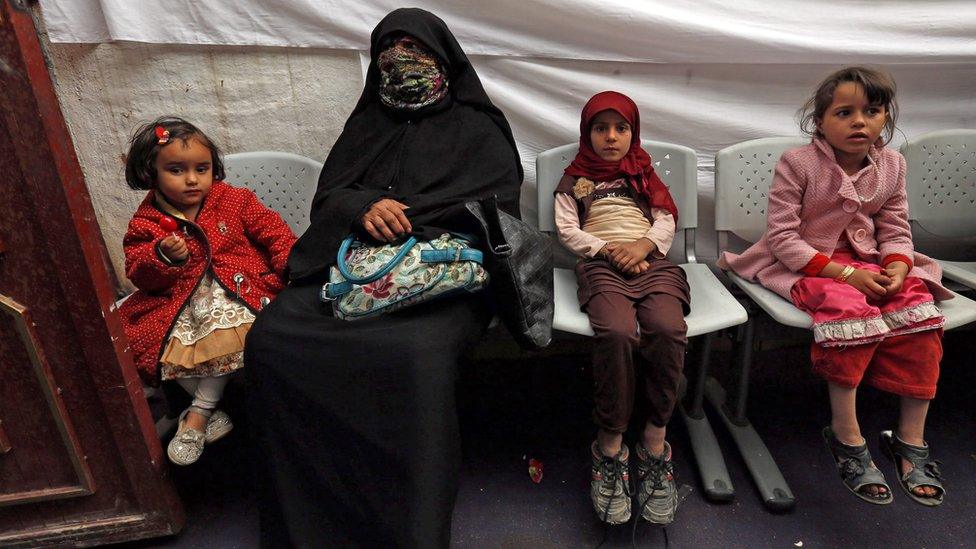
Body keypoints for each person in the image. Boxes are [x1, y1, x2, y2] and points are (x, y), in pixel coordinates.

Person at [244, 8, 522, 547]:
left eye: (414, 47)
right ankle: (306, 525)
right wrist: (364, 206)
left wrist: (416, 221)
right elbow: (329, 197)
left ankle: (408, 530)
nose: (401, 58)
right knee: (274, 341)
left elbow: (499, 210)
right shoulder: (365, 124)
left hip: (439, 276)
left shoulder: (478, 126)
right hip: (351, 266)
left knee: (413, 357)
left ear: (443, 57)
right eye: (389, 47)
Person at [718, 67, 949, 506]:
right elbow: (784, 238)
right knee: (848, 309)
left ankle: (910, 440)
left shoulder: (893, 164)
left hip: (873, 263)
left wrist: (898, 267)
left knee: (919, 308)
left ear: (885, 118)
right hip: (810, 267)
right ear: (820, 122)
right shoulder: (798, 163)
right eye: (844, 112)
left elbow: (896, 228)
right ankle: (846, 436)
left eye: (872, 111)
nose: (860, 121)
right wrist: (846, 275)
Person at [119, 116, 296, 466]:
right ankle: (208, 412)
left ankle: (199, 413)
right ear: (150, 172)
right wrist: (161, 258)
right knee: (151, 345)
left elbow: (275, 233)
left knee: (228, 334)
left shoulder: (234, 200)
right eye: (175, 169)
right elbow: (138, 272)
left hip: (237, 289)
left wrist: (292, 265)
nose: (191, 179)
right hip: (176, 300)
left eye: (202, 168)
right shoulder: (146, 222)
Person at [554, 91, 689, 526]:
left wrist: (643, 245)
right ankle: (610, 443)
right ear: (586, 133)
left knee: (667, 329)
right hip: (603, 265)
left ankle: (655, 439)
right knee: (616, 333)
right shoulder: (574, 178)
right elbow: (567, 229)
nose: (611, 137)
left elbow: (666, 217)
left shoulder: (643, 173)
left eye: (621, 128)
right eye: (600, 128)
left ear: (633, 132)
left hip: (652, 261)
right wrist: (609, 249)